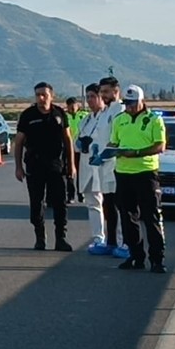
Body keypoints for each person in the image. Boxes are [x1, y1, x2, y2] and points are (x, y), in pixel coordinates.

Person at [105, 85, 168, 273]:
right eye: (127, 104)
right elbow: (114, 142)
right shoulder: (120, 119)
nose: (130, 107)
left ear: (142, 101)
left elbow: (160, 146)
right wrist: (106, 151)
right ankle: (135, 256)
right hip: (123, 173)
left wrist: (137, 153)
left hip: (146, 173)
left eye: (133, 104)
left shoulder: (154, 119)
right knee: (127, 217)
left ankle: (157, 259)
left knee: (151, 217)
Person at [13, 81, 75, 251]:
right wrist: (18, 167)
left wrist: (71, 165)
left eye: (44, 95)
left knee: (60, 203)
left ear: (51, 96)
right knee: (36, 203)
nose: (41, 98)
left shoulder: (59, 113)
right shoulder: (28, 115)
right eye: (38, 95)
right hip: (35, 165)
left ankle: (61, 238)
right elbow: (19, 142)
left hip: (56, 165)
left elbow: (68, 140)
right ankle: (40, 237)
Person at [76, 83, 113, 254]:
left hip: (104, 166)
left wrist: (93, 146)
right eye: (88, 97)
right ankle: (98, 238)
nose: (90, 100)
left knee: (110, 205)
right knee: (93, 203)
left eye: (93, 96)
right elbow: (77, 142)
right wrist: (80, 144)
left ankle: (117, 240)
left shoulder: (108, 117)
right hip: (87, 166)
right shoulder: (85, 120)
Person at [98, 76, 127, 256]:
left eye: (106, 92)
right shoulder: (105, 112)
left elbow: (119, 139)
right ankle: (111, 242)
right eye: (101, 92)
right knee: (108, 205)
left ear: (116, 91)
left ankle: (125, 243)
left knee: (121, 205)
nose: (103, 95)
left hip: (117, 165)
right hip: (104, 166)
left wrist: (108, 152)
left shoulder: (121, 111)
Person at [65, 96, 88, 203]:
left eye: (74, 105)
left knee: (81, 172)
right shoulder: (65, 116)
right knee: (69, 172)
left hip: (80, 149)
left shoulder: (85, 115)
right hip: (69, 148)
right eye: (70, 106)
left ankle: (81, 192)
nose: (72, 108)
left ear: (78, 105)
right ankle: (70, 195)